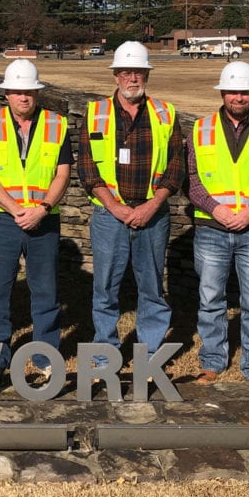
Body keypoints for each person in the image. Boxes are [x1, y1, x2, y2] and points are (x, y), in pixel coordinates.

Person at [77, 41, 185, 367]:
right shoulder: (96, 112)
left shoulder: (166, 114)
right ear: (115, 76)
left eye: (138, 71)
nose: (132, 78)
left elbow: (176, 166)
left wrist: (152, 206)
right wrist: (115, 207)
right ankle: (103, 357)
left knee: (151, 288)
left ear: (147, 74)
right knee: (105, 289)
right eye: (126, 71)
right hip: (109, 215)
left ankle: (149, 356)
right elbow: (87, 168)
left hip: (153, 214)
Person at [186, 61, 249, 386]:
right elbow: (190, 178)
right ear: (222, 92)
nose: (239, 97)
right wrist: (215, 208)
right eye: (233, 91)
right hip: (211, 229)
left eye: (244, 91)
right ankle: (212, 362)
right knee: (210, 300)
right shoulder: (200, 129)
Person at [0, 59, 72, 384]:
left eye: (28, 91)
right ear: (7, 95)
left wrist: (42, 208)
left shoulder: (57, 125)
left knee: (45, 292)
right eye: (17, 92)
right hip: (3, 219)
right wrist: (15, 209)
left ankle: (46, 360)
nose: (23, 98)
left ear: (37, 92)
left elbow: (63, 174)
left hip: (43, 220)